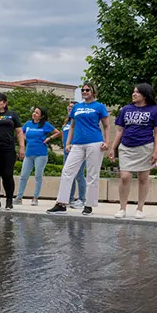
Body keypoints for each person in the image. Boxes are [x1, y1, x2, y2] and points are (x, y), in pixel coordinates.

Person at [47, 83, 110, 216]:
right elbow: (72, 126)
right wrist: (68, 143)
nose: (85, 92)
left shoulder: (99, 107)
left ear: (93, 92)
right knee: (67, 171)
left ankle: (88, 205)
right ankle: (61, 203)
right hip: (78, 144)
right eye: (83, 90)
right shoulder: (77, 107)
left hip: (95, 142)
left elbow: (106, 126)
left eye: (87, 90)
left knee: (92, 174)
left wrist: (107, 141)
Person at [109, 83, 157, 219]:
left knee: (143, 178)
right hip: (126, 147)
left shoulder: (155, 110)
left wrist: (156, 152)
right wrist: (113, 148)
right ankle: (122, 208)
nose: (133, 94)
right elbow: (119, 130)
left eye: (137, 92)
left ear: (145, 95)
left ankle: (140, 208)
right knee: (125, 177)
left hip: (145, 146)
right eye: (133, 92)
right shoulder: (126, 109)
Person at [15, 106, 60, 205]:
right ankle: (19, 197)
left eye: (37, 113)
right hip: (29, 153)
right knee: (23, 175)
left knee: (38, 176)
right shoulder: (28, 124)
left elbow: (57, 133)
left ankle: (35, 198)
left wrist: (49, 138)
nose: (34, 114)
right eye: (34, 112)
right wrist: (26, 139)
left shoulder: (45, 125)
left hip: (41, 153)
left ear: (41, 116)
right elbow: (20, 132)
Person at [61, 101, 86, 209]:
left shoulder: (79, 122)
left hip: (77, 150)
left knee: (79, 176)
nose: (70, 109)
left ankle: (82, 199)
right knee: (68, 175)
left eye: (72, 107)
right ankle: (69, 198)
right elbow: (64, 136)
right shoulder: (66, 123)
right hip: (67, 152)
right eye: (69, 107)